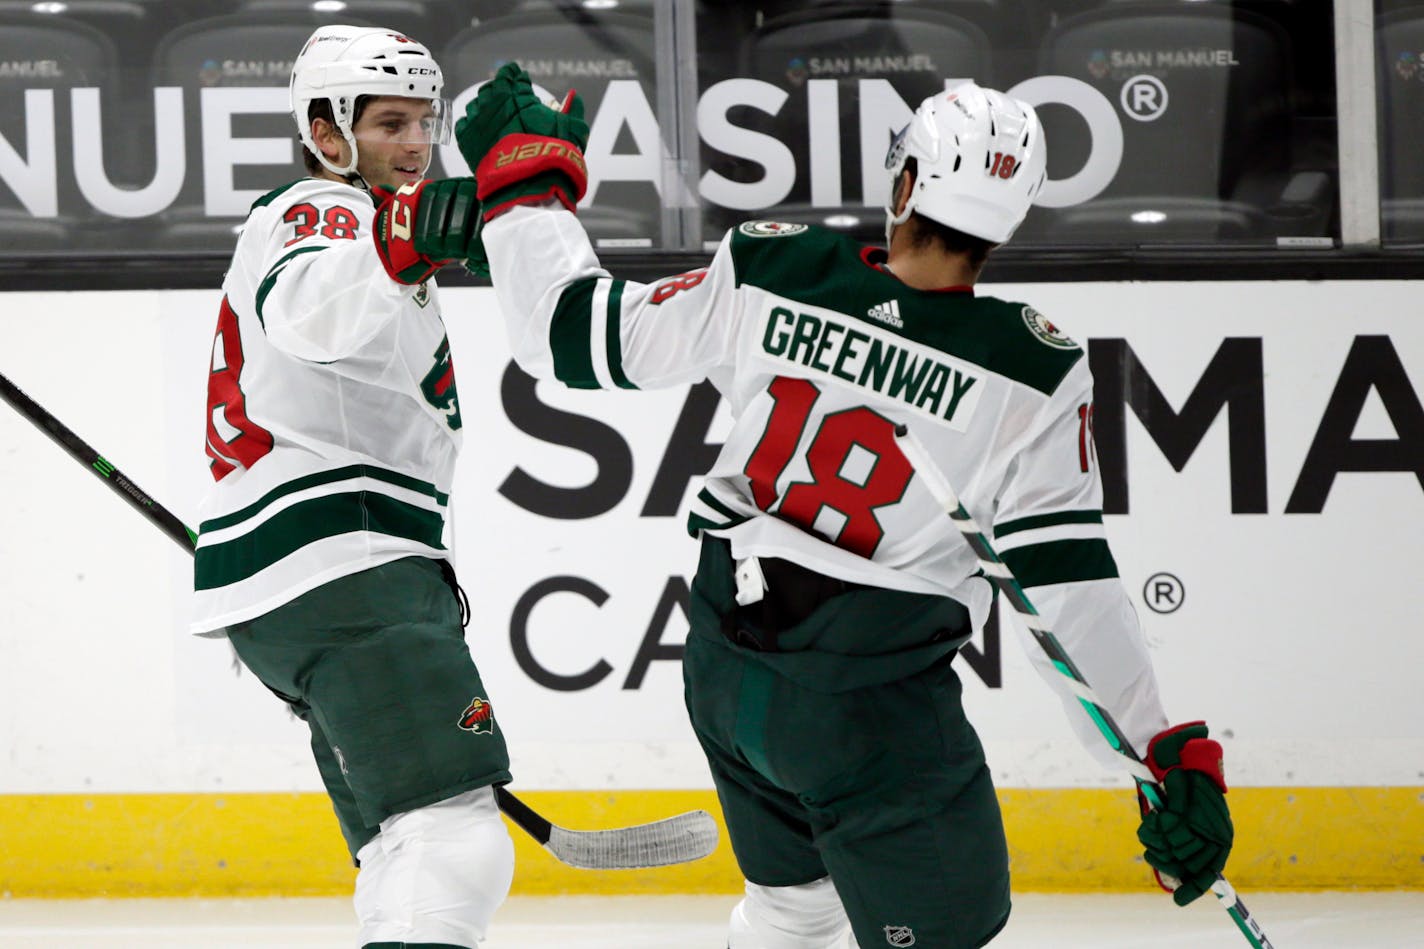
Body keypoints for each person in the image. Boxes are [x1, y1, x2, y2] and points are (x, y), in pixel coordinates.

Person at [457, 64, 1234, 948]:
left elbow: (568, 332)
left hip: (725, 674)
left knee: (793, 909)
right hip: (867, 715)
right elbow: (1066, 592)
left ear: (907, 181)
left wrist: (525, 193)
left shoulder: (774, 264)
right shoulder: (1033, 373)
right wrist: (1156, 757)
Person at [191, 25, 512, 949]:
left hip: (319, 577)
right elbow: (312, 309)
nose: (416, 143)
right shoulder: (322, 212)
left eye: (424, 120)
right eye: (387, 123)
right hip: (347, 564)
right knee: (454, 839)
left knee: (399, 846)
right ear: (327, 133)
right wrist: (399, 244)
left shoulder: (371, 224)